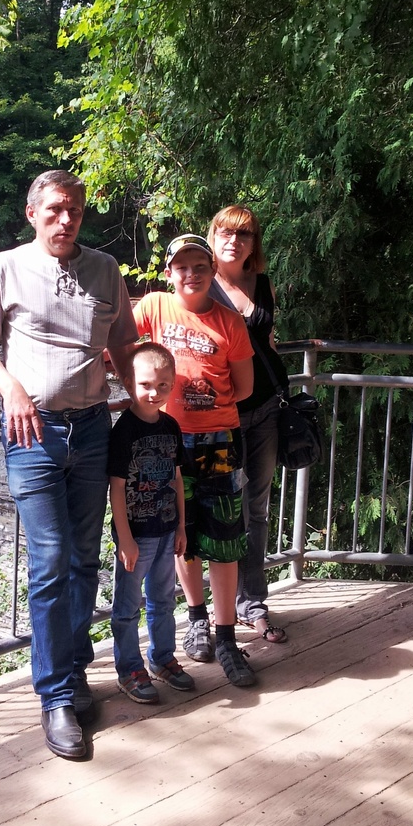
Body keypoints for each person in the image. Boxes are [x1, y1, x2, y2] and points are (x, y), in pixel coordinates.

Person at [0, 170, 138, 759]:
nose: (68, 220)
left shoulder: (106, 270)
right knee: (51, 561)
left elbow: (122, 346)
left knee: (87, 559)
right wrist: (11, 389)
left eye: (77, 211)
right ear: (33, 213)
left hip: (92, 429)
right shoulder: (5, 268)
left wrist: (143, 393)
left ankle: (74, 668)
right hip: (32, 431)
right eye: (57, 210)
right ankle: (56, 698)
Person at [132, 234, 258, 688]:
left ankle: (226, 637)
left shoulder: (229, 322)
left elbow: (243, 388)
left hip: (220, 440)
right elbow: (119, 350)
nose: (191, 273)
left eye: (199, 265)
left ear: (211, 270)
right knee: (179, 533)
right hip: (165, 440)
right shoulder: (153, 307)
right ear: (169, 273)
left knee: (224, 537)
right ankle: (197, 619)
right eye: (181, 266)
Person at [208, 204, 290, 643]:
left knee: (255, 508)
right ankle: (208, 612)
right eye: (226, 232)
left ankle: (251, 603)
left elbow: (269, 340)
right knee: (219, 506)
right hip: (221, 416)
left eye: (244, 235)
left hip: (265, 412)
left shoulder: (263, 285)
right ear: (214, 235)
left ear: (253, 244)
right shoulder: (202, 283)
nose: (234, 241)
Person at [108, 343, 194, 704]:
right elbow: (116, 488)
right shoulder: (124, 431)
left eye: (162, 385)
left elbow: (176, 479)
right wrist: (124, 537)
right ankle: (129, 667)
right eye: (145, 385)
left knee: (162, 599)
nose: (153, 393)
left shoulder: (172, 426)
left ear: (172, 384)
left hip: (166, 530)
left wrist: (182, 526)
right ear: (129, 384)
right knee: (127, 608)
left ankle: (162, 659)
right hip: (137, 536)